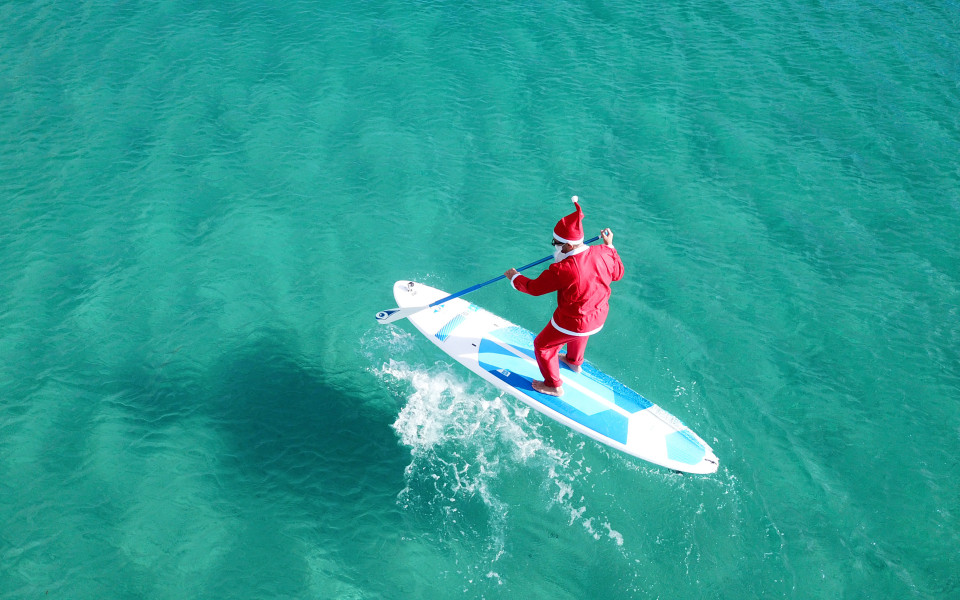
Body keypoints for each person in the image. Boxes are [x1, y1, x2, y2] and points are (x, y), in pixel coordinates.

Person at [504, 196, 624, 397]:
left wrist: (515, 277)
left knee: (542, 346)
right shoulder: (603, 252)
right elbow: (618, 274)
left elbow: (534, 288)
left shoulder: (562, 269)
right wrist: (610, 246)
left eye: (556, 243)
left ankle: (553, 385)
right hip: (599, 316)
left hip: (573, 322)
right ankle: (574, 362)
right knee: (580, 331)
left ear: (568, 245)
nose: (555, 247)